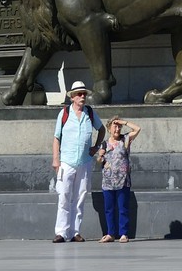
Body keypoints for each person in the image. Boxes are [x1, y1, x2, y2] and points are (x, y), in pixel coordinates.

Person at [52, 81, 102, 243]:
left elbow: (101, 129)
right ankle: (61, 232)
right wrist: (55, 159)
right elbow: (57, 137)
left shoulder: (90, 113)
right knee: (64, 196)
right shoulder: (64, 113)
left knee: (80, 196)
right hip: (67, 161)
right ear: (72, 97)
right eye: (79, 94)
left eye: (84, 94)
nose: (82, 96)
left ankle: (75, 231)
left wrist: (96, 147)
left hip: (84, 161)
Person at [96, 117, 140, 242]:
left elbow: (137, 129)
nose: (117, 129)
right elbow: (99, 160)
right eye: (114, 126)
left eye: (119, 126)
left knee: (123, 208)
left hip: (123, 180)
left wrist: (123, 122)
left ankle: (123, 233)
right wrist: (100, 156)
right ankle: (110, 233)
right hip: (108, 180)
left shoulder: (125, 139)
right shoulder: (104, 143)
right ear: (109, 128)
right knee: (109, 209)